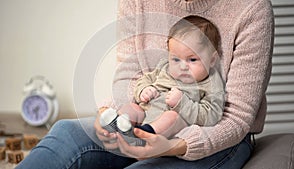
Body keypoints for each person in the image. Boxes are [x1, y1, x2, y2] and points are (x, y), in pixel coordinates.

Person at [16, 0, 274, 168]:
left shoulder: (251, 10)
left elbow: (236, 117)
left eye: (193, 59)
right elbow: (129, 74)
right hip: (145, 118)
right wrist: (115, 112)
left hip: (215, 135)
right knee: (66, 133)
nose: (182, 66)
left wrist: (175, 146)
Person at [99, 15, 225, 142]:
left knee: (171, 117)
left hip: (172, 126)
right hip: (146, 112)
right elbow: (144, 79)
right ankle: (118, 125)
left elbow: (211, 116)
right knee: (133, 108)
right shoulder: (164, 67)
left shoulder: (212, 82)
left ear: (212, 60)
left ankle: (144, 137)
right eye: (175, 59)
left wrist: (182, 103)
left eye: (192, 60)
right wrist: (144, 90)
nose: (182, 66)